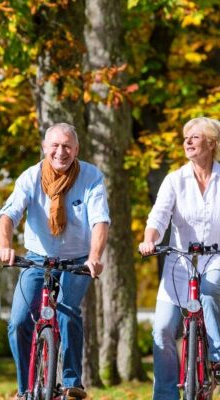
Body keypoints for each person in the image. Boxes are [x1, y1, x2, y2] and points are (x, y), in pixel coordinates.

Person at [0, 122, 110, 399]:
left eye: (67, 146)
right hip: (37, 257)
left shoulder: (91, 176)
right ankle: (24, 389)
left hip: (76, 259)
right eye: (55, 146)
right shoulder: (30, 178)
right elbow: (7, 215)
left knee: (68, 311)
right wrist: (5, 246)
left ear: (76, 149)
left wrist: (94, 258)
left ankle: (72, 382)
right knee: (20, 321)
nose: (61, 152)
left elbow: (99, 221)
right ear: (45, 148)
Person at [139, 117, 220, 399]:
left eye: (194, 137)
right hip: (180, 262)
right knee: (162, 328)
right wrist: (150, 239)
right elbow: (158, 217)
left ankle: (217, 357)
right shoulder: (174, 180)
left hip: (216, 258)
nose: (187, 141)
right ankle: (165, 395)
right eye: (186, 137)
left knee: (208, 292)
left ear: (210, 143)